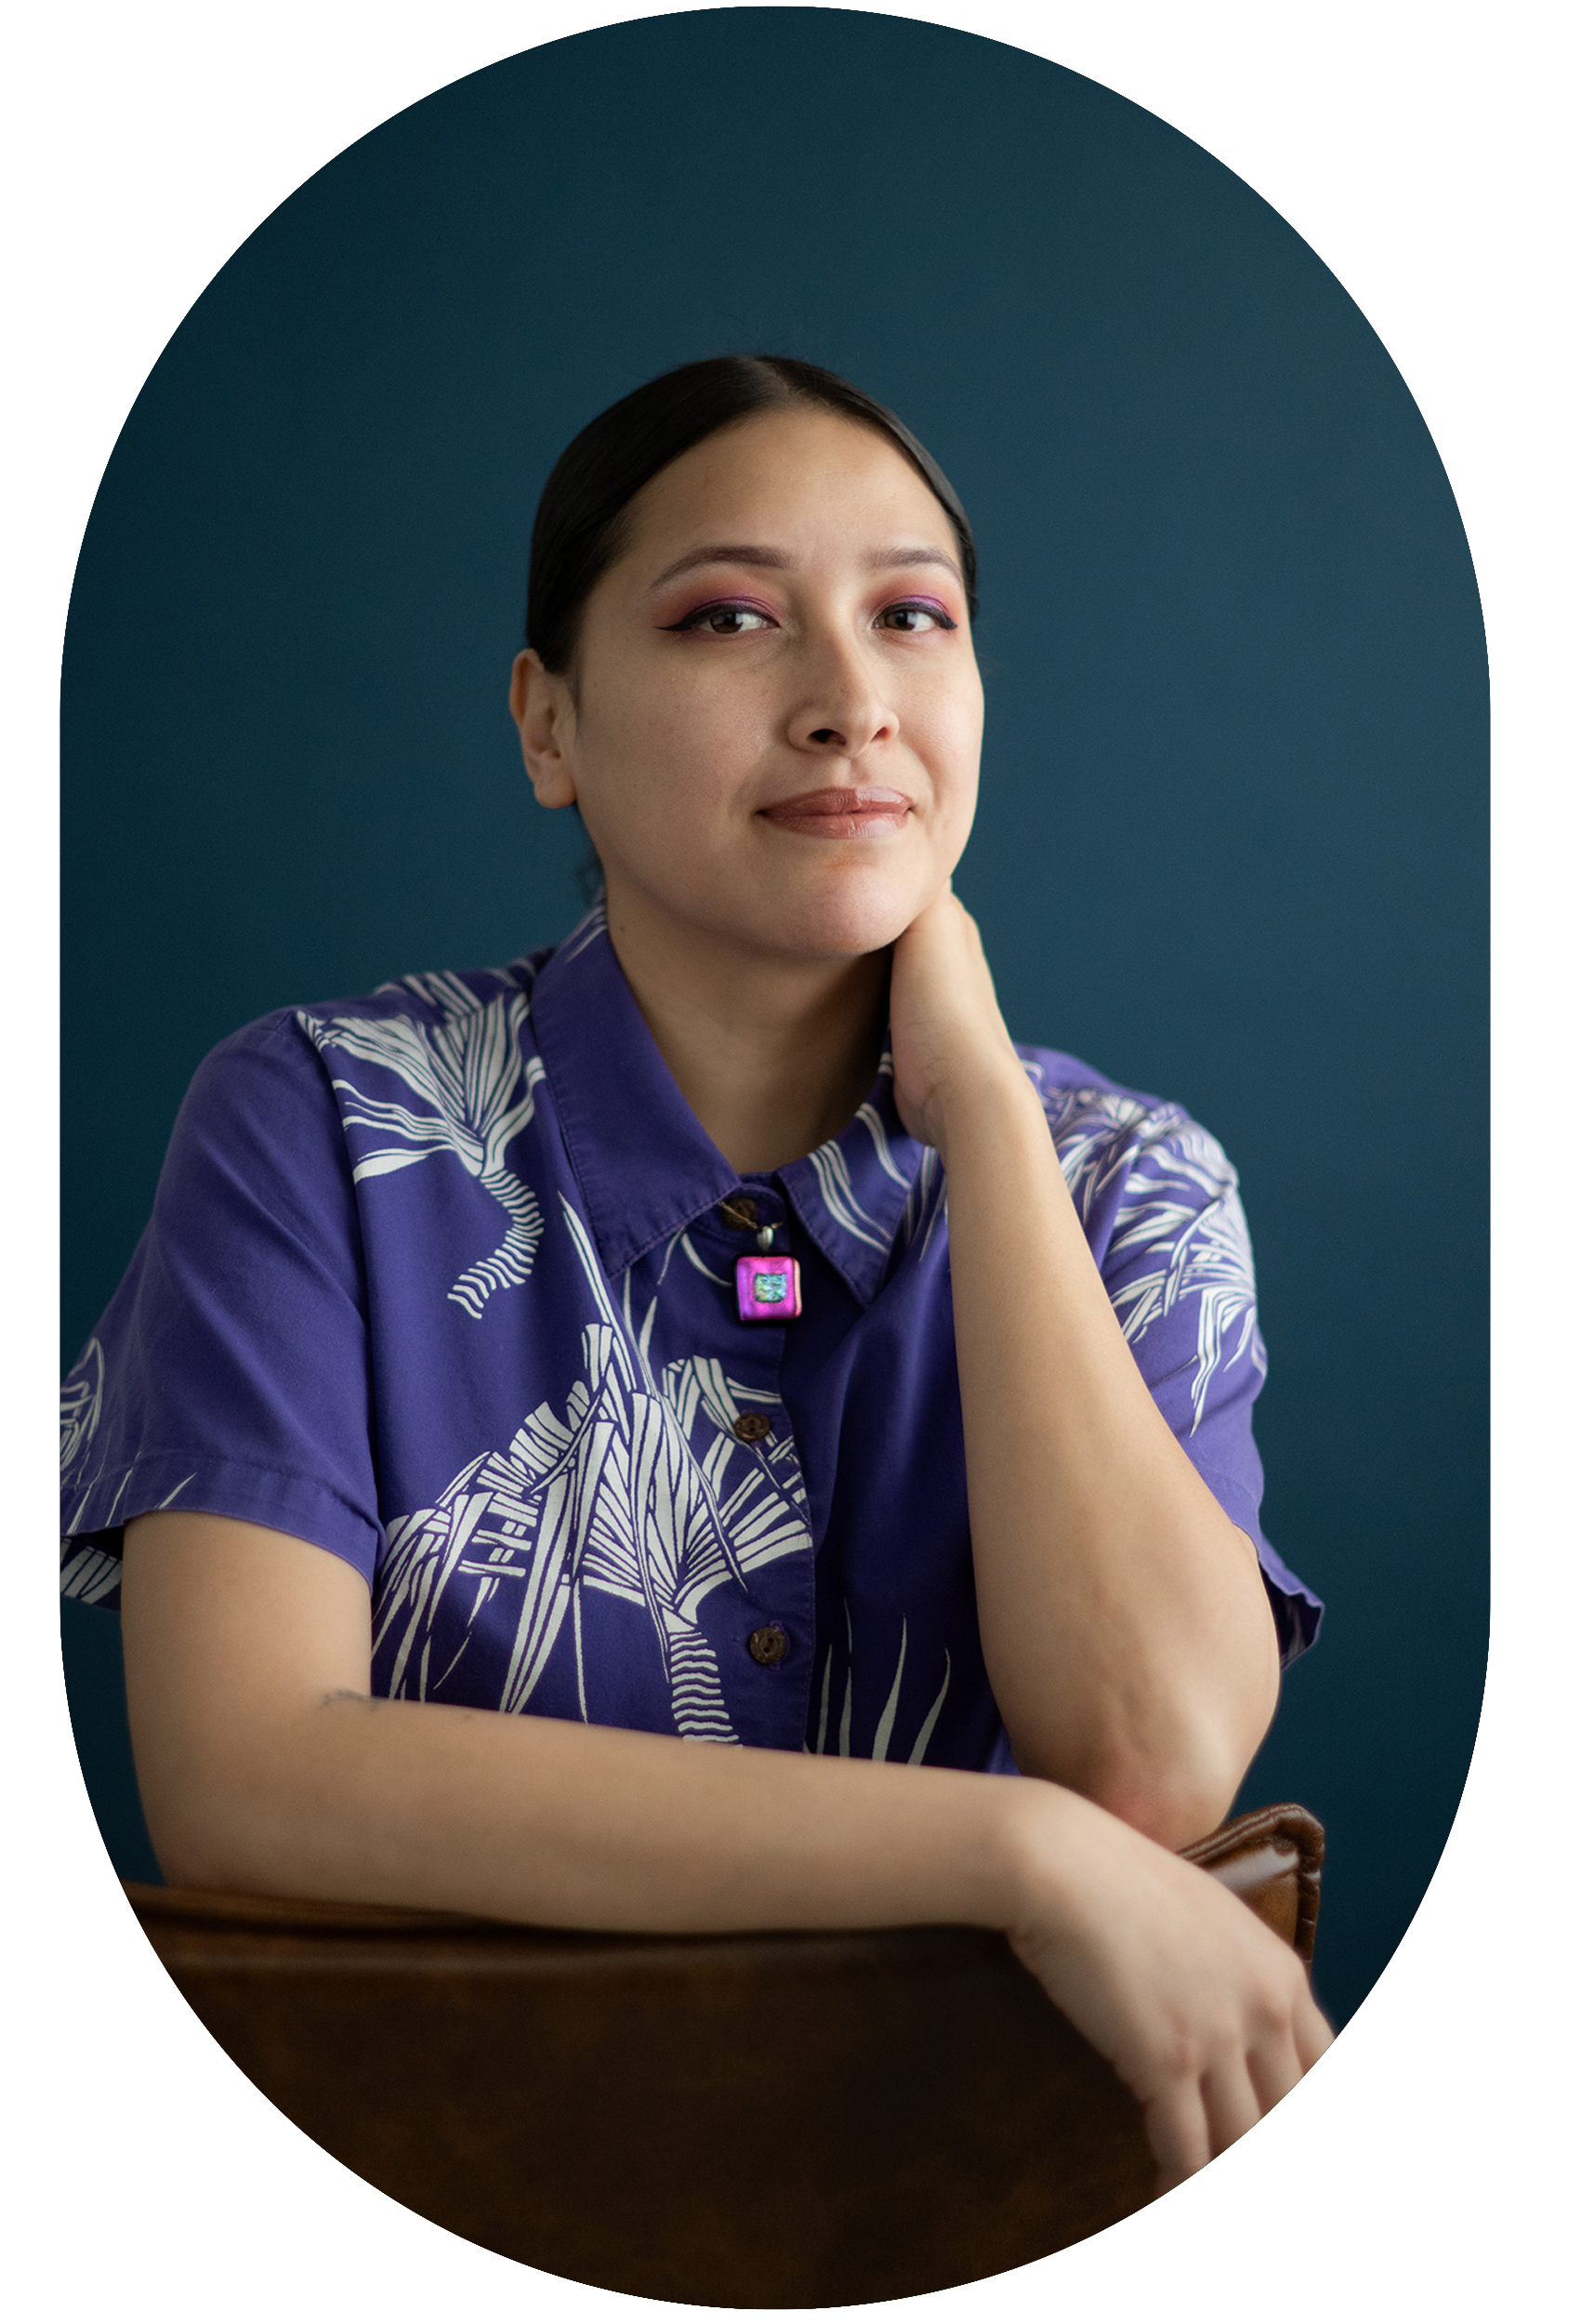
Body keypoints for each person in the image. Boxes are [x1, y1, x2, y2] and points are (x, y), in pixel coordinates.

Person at [59, 355, 1331, 2190]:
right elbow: (245, 1781)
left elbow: (1149, 1762)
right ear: (547, 724)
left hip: (965, 2216)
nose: (848, 701)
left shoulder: (1133, 1187)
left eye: (911, 615)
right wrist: (1012, 1854)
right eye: (729, 615)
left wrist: (977, 1102)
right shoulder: (321, 1126)